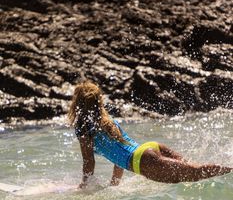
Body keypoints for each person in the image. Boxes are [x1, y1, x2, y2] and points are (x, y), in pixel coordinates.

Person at [68, 81, 232, 188]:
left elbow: (89, 161)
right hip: (149, 148)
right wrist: (114, 184)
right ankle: (228, 169)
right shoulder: (108, 122)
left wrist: (85, 184)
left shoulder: (83, 127)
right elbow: (119, 153)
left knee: (195, 174)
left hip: (143, 161)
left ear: (77, 103)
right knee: (195, 170)